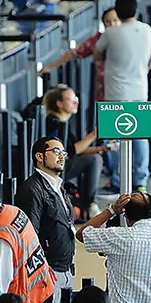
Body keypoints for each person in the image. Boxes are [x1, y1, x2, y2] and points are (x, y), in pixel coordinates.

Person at [95, 0, 151, 192]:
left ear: (118, 13)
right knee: (140, 136)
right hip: (140, 90)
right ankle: (141, 181)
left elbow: (97, 53)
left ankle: (119, 180)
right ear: (136, 11)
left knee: (116, 137)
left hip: (116, 92)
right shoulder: (146, 30)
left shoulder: (111, 33)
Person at [15, 136, 75, 303]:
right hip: (48, 272)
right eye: (56, 152)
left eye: (63, 153)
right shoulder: (31, 189)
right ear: (40, 156)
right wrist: (42, 271)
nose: (61, 157)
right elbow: (30, 235)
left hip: (65, 269)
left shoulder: (58, 186)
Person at [41, 8, 151, 106]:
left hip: (133, 93)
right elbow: (74, 53)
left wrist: (137, 74)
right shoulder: (98, 40)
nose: (112, 24)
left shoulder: (132, 40)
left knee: (134, 128)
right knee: (109, 130)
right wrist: (50, 67)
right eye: (108, 21)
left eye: (115, 20)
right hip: (105, 95)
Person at [42, 86, 110, 218]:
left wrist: (101, 149)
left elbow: (76, 150)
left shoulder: (63, 122)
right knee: (95, 159)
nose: (76, 102)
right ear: (59, 103)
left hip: (63, 164)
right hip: (53, 168)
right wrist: (95, 134)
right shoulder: (54, 122)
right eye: (71, 99)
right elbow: (72, 151)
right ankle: (89, 204)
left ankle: (88, 204)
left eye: (76, 98)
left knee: (95, 157)